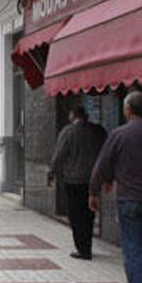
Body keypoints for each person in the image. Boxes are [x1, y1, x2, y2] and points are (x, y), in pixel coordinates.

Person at [89, 91, 142, 283]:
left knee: (133, 249)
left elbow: (102, 164)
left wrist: (94, 191)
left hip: (129, 200)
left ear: (128, 110)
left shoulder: (119, 134)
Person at [47, 106, 107, 260]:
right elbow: (106, 153)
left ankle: (82, 248)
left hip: (73, 181)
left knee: (75, 214)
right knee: (89, 213)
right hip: (93, 180)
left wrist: (52, 172)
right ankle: (87, 246)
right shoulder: (98, 130)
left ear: (73, 115)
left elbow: (59, 155)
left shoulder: (68, 132)